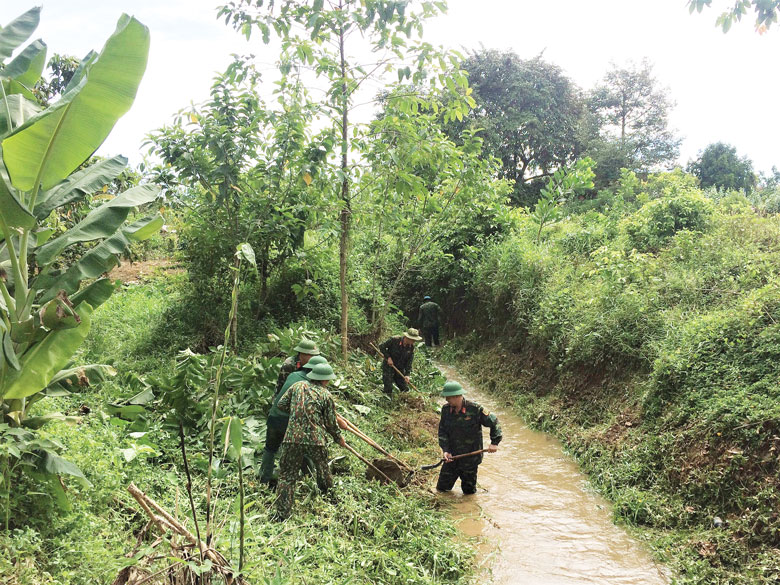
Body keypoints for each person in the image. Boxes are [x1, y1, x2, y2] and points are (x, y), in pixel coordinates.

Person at [273, 362, 346, 520]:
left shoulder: (297, 386)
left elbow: (281, 404)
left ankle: (281, 515)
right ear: (324, 380)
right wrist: (338, 438)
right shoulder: (326, 395)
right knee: (322, 469)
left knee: (287, 476)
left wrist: (297, 411)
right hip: (316, 440)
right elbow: (331, 423)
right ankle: (329, 499)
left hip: (293, 438)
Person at [259, 355, 329, 485]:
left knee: (270, 449)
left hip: (274, 417)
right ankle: (310, 477)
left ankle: (263, 479)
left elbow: (281, 402)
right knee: (304, 447)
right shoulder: (309, 386)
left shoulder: (293, 375)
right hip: (289, 422)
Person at [436, 381, 501, 495]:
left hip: (470, 458)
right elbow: (442, 431)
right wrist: (445, 450)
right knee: (442, 489)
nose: (446, 400)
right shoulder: (446, 410)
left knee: (469, 493)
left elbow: (494, 422)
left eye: (448, 398)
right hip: (452, 457)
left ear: (457, 397)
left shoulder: (475, 409)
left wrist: (494, 442)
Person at [378, 328, 422, 394]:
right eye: (413, 340)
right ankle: (387, 401)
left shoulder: (411, 348)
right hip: (389, 367)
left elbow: (409, 362)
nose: (414, 342)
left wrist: (407, 374)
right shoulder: (394, 340)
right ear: (407, 338)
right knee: (388, 388)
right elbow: (382, 346)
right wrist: (388, 357)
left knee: (404, 389)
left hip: (399, 369)